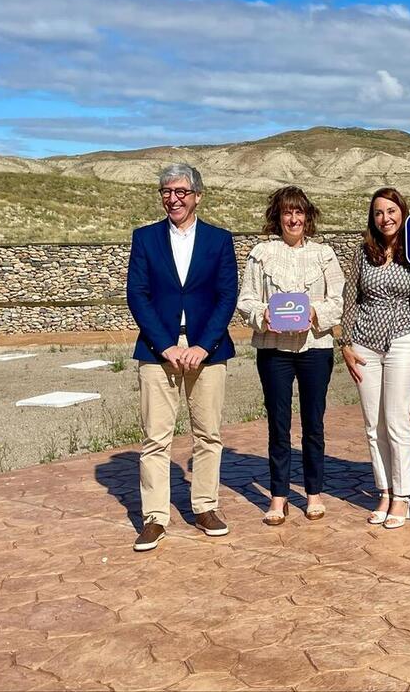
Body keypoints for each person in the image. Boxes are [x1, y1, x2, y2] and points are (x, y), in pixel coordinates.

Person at [126, 163, 238, 552]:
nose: (173, 198)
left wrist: (203, 346)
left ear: (197, 196)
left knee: (208, 434)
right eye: (167, 192)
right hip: (159, 353)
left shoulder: (219, 240)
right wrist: (166, 346)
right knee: (156, 438)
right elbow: (137, 296)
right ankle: (155, 518)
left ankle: (205, 507)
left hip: (208, 351)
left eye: (181, 192)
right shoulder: (145, 239)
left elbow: (227, 297)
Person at [237, 186, 345, 525]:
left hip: (315, 348)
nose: (293, 219)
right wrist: (263, 317)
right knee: (278, 425)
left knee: (314, 423)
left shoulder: (324, 255)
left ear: (307, 217)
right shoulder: (261, 254)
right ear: (278, 216)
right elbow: (247, 300)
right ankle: (279, 497)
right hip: (274, 350)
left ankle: (313, 493)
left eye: (299, 212)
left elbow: (338, 301)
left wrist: (313, 314)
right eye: (287, 212)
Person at [338, 188, 410, 530]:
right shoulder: (363, 252)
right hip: (365, 342)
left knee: (396, 419)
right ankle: (384, 492)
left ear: (402, 212)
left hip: (403, 337)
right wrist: (344, 343)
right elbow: (350, 297)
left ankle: (403, 496)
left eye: (390, 211)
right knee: (373, 424)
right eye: (378, 213)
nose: (385, 218)